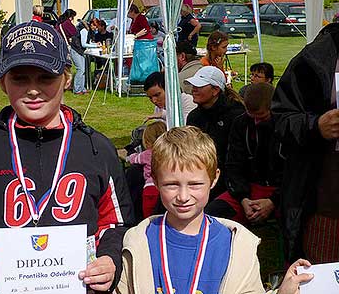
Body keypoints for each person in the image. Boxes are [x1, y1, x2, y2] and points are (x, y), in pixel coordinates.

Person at [0, 21, 134, 294]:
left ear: (66, 78)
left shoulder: (97, 149)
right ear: (2, 83)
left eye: (45, 77)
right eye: (20, 78)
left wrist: (110, 259)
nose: (33, 89)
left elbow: (116, 223)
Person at [116, 126, 314, 294]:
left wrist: (282, 292)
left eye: (195, 184)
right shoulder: (138, 242)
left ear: (214, 178)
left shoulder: (238, 245)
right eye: (172, 185)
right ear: (156, 182)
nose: (183, 196)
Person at [272, 23, 339, 264]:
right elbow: (279, 117)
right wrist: (315, 125)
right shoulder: (314, 59)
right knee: (323, 279)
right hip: (328, 209)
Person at [205, 83, 284, 224]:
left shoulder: (288, 126)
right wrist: (243, 198)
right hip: (249, 189)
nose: (256, 121)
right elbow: (233, 164)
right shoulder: (241, 123)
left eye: (261, 116)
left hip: (283, 190)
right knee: (212, 214)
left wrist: (273, 201)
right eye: (251, 115)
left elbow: (297, 173)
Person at [186, 66, 244, 198]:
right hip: (199, 174)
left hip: (228, 181)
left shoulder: (236, 115)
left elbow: (236, 157)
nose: (194, 89)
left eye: (199, 86)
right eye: (193, 85)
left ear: (215, 90)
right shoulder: (194, 117)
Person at [126, 121, 167, 219]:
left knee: (148, 218)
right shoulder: (168, 153)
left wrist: (129, 156)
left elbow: (133, 159)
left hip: (150, 188)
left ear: (147, 142)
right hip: (164, 187)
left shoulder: (147, 154)